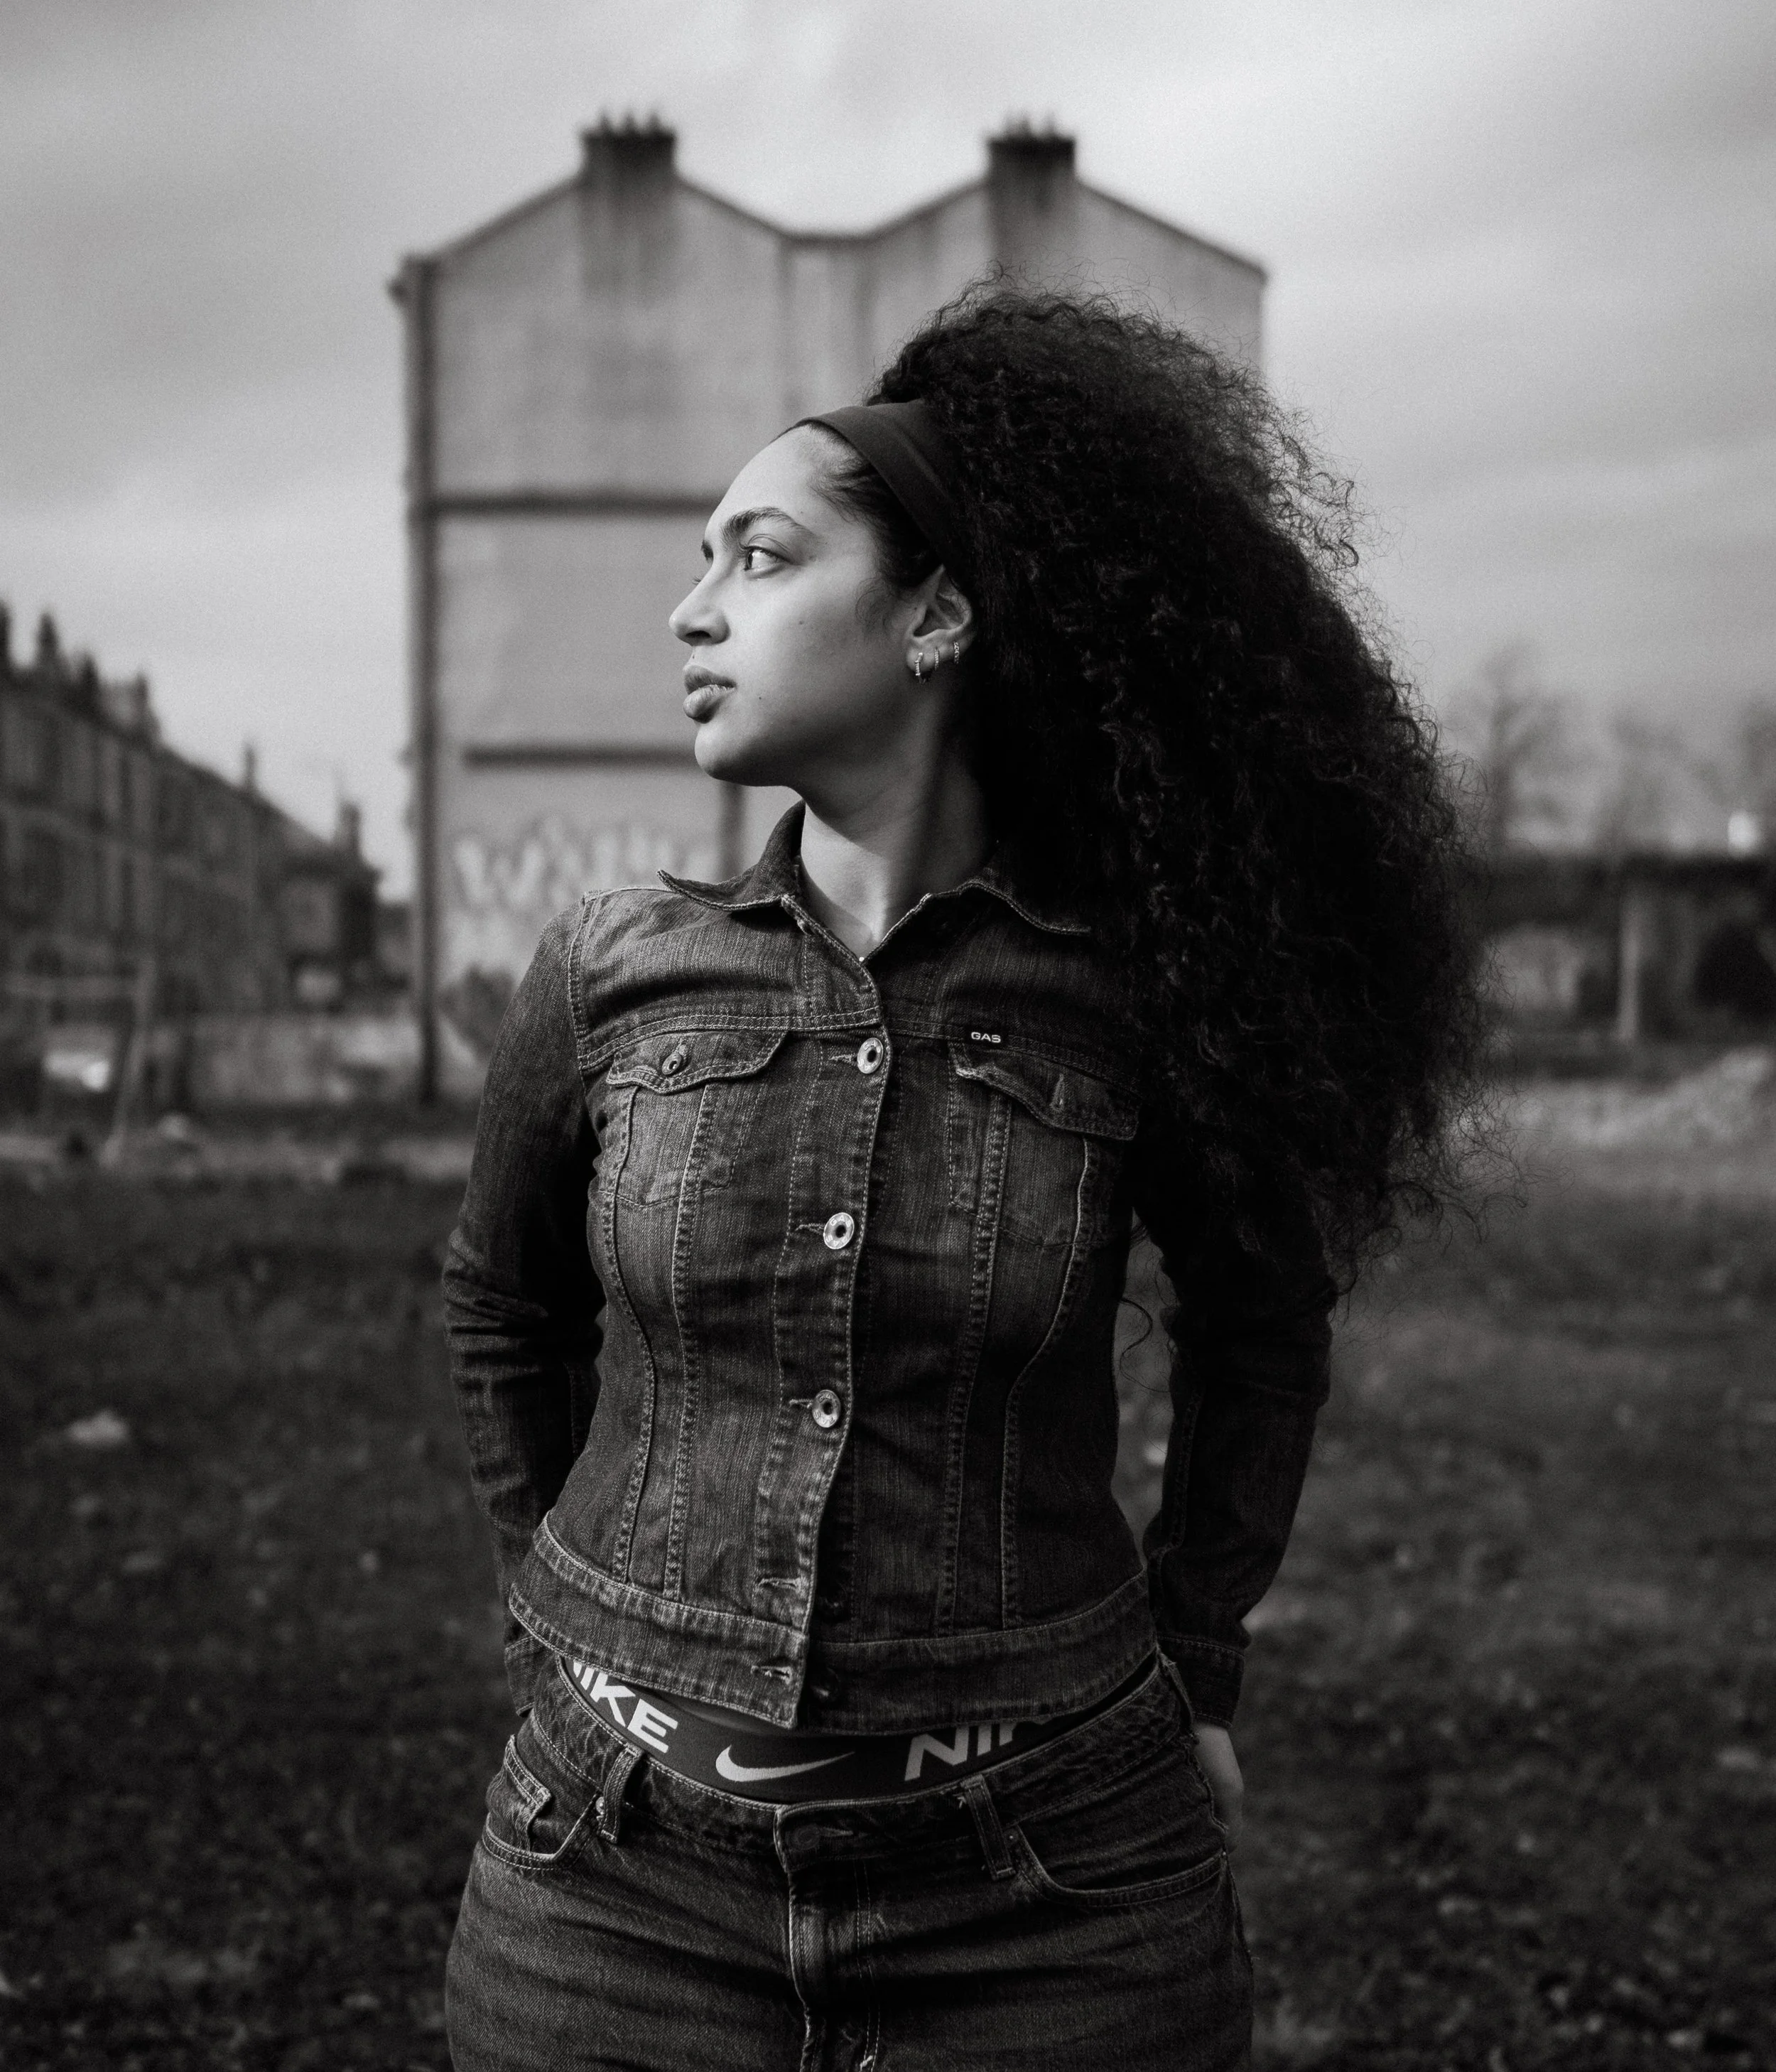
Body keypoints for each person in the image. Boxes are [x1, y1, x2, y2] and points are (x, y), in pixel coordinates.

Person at [441, 287, 1478, 2070]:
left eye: (757, 558)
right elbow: (497, 1303)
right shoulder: (612, 966)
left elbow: (1260, 1324)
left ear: (935, 614)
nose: (693, 609)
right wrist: (555, 1626)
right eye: (701, 562)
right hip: (612, 1897)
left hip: (1047, 1901)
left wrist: (1198, 1659)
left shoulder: (1127, 994)